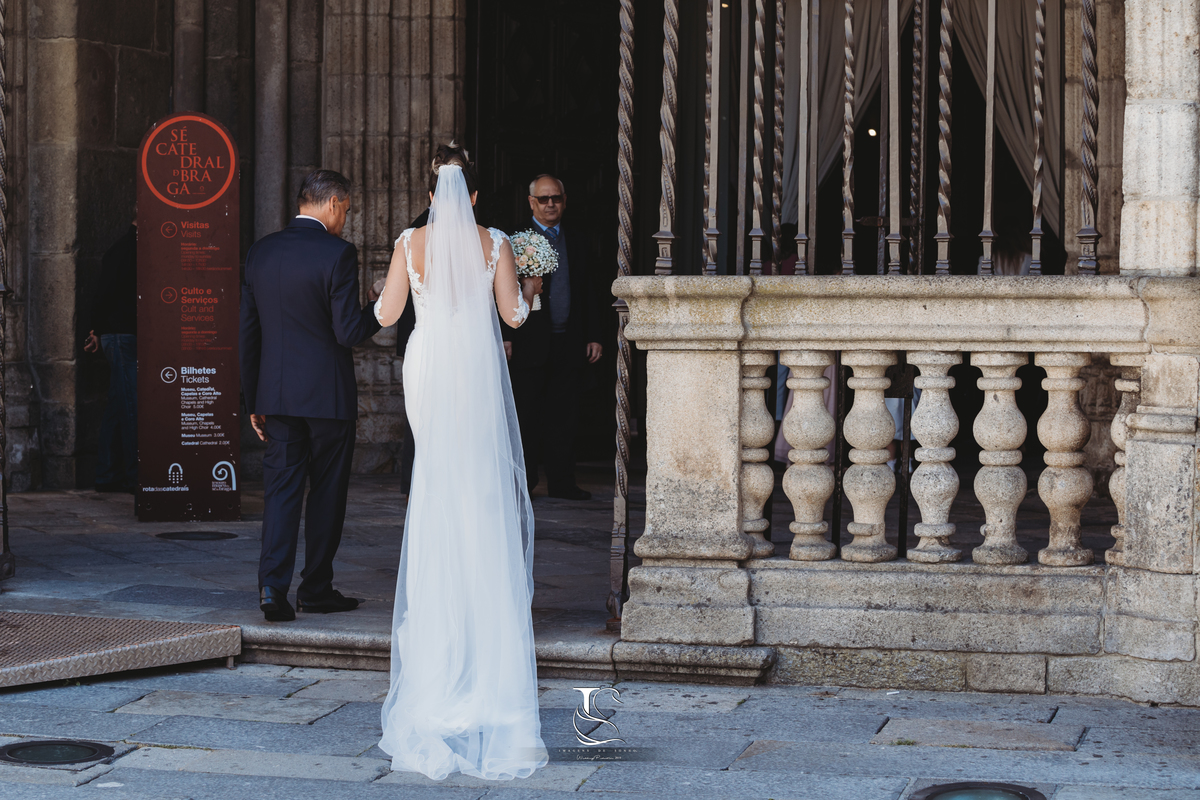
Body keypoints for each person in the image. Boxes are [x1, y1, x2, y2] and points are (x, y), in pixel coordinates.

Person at [371, 143, 547, 780]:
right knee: (480, 489)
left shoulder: (408, 242)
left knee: (437, 486)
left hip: (430, 366)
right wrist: (533, 287)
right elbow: (514, 317)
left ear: (430, 194)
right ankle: (485, 655)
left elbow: (386, 314)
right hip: (473, 367)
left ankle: (437, 663)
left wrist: (392, 289)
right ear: (472, 195)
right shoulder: (494, 241)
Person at [239, 170, 382, 623]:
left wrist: (254, 400)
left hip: (277, 397)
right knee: (326, 494)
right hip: (327, 398)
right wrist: (379, 307)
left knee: (280, 492)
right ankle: (316, 588)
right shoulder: (338, 253)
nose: (346, 219)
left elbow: (248, 333)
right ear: (334, 203)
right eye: (347, 209)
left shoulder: (261, 251)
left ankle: (271, 588)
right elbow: (348, 331)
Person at [502, 175, 603, 500]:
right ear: (531, 202)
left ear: (564, 200)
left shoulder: (578, 239)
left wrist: (594, 335)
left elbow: (589, 290)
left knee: (565, 417)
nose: (550, 204)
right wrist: (506, 336)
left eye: (556, 198)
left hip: (569, 341)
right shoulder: (513, 239)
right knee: (527, 416)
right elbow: (501, 291)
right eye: (543, 199)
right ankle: (525, 483)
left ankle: (562, 482)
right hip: (528, 343)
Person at [85, 220, 139, 493]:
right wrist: (97, 329)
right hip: (121, 335)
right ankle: (135, 476)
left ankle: (107, 474)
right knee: (131, 405)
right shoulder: (127, 249)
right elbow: (104, 294)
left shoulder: (126, 248)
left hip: (119, 334)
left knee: (120, 404)